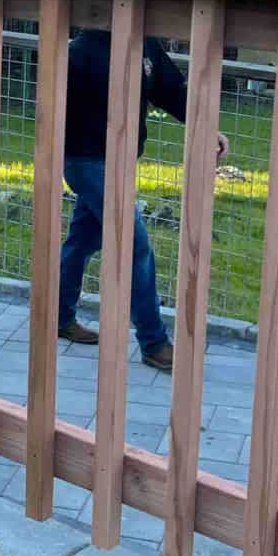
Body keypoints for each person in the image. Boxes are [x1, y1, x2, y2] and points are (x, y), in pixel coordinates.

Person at [56, 29, 227, 371]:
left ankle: (58, 317)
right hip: (85, 161)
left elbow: (173, 92)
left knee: (82, 240)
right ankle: (154, 342)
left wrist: (208, 128)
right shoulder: (79, 52)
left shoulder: (145, 44)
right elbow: (53, 109)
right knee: (135, 244)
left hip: (120, 162)